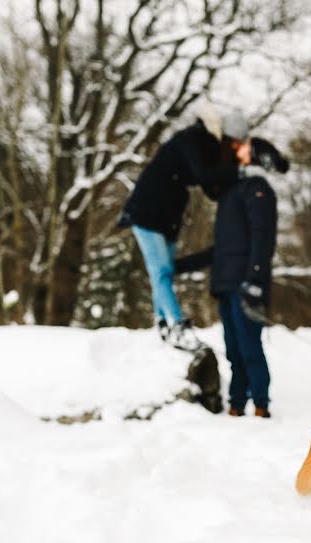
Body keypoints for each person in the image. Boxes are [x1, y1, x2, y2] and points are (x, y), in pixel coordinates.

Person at [117, 106, 252, 350]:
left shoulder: (211, 150)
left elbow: (212, 189)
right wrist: (240, 170)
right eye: (232, 144)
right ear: (224, 136)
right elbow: (204, 174)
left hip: (167, 216)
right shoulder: (191, 139)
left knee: (164, 272)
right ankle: (177, 325)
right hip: (147, 210)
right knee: (162, 272)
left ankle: (163, 323)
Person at [177, 173, 284, 419]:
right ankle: (236, 403)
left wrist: (255, 278)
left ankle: (260, 404)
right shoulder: (226, 200)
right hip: (225, 287)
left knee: (250, 349)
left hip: (247, 288)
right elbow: (219, 252)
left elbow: (262, 233)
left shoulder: (253, 188)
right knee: (233, 350)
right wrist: (179, 266)